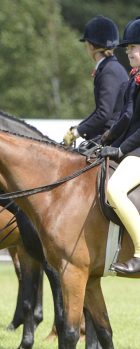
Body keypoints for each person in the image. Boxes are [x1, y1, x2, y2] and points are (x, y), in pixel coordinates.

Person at [100, 17, 140, 274]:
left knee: (114, 189)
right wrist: (103, 141)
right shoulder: (133, 80)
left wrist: (121, 149)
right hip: (133, 148)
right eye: (127, 50)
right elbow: (125, 119)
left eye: (133, 48)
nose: (129, 54)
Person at [63, 16, 128, 147]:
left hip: (111, 137)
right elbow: (100, 111)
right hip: (108, 134)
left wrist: (78, 132)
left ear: (91, 46)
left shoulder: (109, 70)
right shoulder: (109, 66)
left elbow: (103, 113)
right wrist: (79, 127)